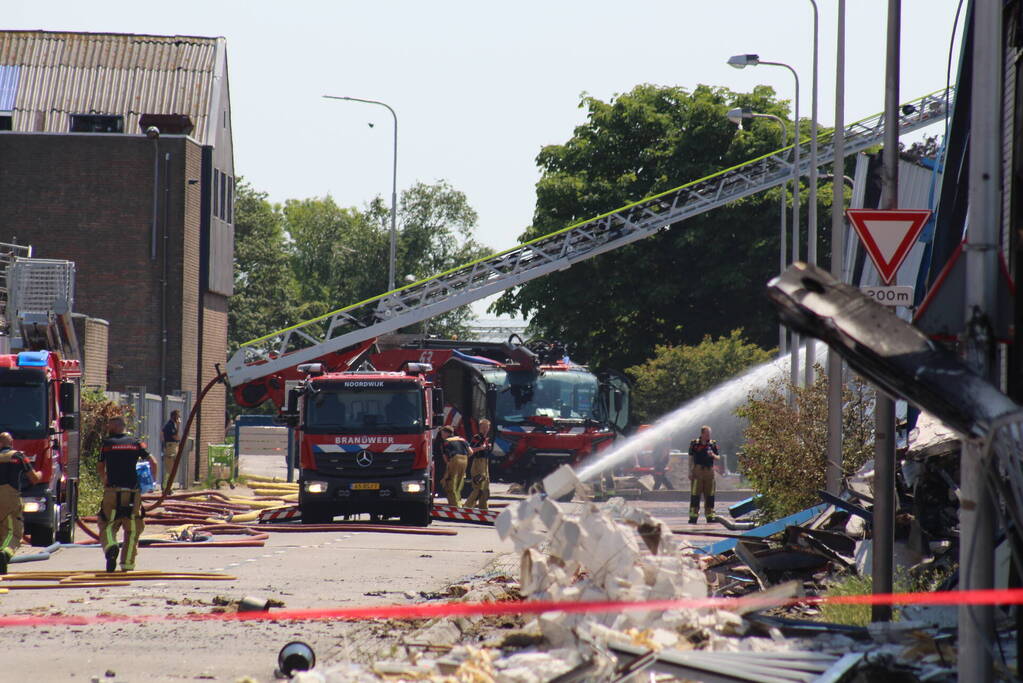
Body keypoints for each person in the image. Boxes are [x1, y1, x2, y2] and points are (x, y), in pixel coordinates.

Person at [98, 416, 158, 572]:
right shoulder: (136, 442)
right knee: (132, 529)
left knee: (107, 523)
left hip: (112, 491)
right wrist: (152, 483)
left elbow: (100, 466)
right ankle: (127, 564)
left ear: (115, 426)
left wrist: (105, 480)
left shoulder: (107, 444)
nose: (108, 428)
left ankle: (111, 546)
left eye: (109, 426)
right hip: (132, 492)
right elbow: (153, 461)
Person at [0, 432, 41, 574]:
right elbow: (34, 478)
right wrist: (41, 474)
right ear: (11, 443)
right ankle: (5, 553)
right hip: (10, 497)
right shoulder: (18, 456)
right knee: (13, 532)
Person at [688, 425, 721, 524]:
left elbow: (718, 457)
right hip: (697, 471)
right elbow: (690, 458)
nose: (708, 436)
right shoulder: (694, 444)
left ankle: (710, 515)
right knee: (695, 494)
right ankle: (693, 516)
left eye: (709, 434)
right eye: (707, 434)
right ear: (702, 434)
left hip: (709, 471)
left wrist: (713, 455)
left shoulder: (712, 444)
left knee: (710, 494)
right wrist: (690, 471)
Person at [438, 426, 470, 507]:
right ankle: (459, 502)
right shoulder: (462, 439)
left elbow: (445, 458)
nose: (441, 434)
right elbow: (471, 452)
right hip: (465, 459)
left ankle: (454, 505)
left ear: (446, 433)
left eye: (442, 432)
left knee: (449, 483)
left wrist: (448, 469)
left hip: (454, 459)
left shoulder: (445, 442)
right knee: (459, 483)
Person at [464, 419, 492, 510]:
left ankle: (483, 507)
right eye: (483, 427)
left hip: (485, 462)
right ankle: (468, 506)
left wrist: (488, 447)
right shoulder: (477, 437)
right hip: (478, 462)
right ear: (479, 428)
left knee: (485, 486)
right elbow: (470, 449)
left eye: (486, 427)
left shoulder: (486, 438)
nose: (485, 429)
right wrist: (481, 448)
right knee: (478, 486)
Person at [161, 410, 181, 488]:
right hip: (170, 447)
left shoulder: (172, 425)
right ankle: (166, 487)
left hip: (173, 446)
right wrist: (178, 426)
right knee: (170, 468)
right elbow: (175, 436)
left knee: (173, 468)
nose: (179, 418)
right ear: (174, 416)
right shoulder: (170, 425)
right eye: (178, 416)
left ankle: (169, 487)